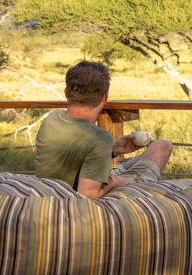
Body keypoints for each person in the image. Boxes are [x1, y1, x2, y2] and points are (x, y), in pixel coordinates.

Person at [35, 60, 173, 199]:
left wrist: (113, 149)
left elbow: (72, 156)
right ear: (105, 98)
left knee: (158, 147)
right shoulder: (99, 138)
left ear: (66, 92)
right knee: (163, 147)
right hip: (76, 198)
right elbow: (87, 194)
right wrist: (116, 181)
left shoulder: (52, 118)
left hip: (49, 191)